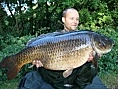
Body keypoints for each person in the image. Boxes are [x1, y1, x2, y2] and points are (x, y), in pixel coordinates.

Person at [18, 8, 99, 89]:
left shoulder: (83, 38)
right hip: (54, 75)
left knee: (91, 68)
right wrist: (37, 62)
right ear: (63, 19)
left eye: (77, 19)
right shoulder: (55, 36)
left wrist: (92, 58)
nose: (75, 21)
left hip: (74, 74)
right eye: (72, 18)